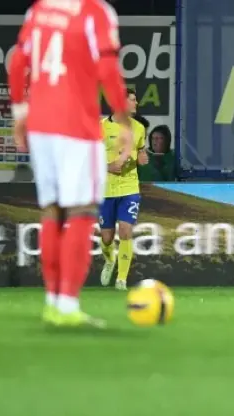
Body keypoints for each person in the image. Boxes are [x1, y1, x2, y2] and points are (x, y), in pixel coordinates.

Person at [9, 0, 130, 328]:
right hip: (77, 126)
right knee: (81, 211)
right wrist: (123, 120)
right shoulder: (95, 12)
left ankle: (52, 303)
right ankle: (67, 305)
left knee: (53, 211)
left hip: (41, 125)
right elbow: (107, 70)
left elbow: (18, 61)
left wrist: (20, 111)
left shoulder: (38, 10)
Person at [99, 89, 149, 291]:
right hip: (106, 190)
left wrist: (142, 158)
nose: (136, 103)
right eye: (132, 100)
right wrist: (107, 167)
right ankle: (109, 260)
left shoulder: (139, 128)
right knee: (106, 238)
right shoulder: (100, 127)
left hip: (130, 187)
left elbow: (141, 151)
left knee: (126, 230)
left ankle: (121, 279)